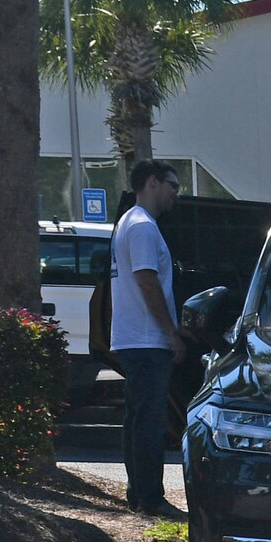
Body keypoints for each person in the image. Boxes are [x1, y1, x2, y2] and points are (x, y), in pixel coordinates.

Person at [109, 160, 185, 517]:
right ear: (153, 182)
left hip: (133, 338)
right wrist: (170, 332)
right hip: (145, 338)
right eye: (173, 185)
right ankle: (151, 499)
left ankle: (138, 493)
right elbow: (147, 280)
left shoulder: (128, 222)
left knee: (137, 418)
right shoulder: (141, 227)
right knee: (150, 421)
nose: (175, 194)